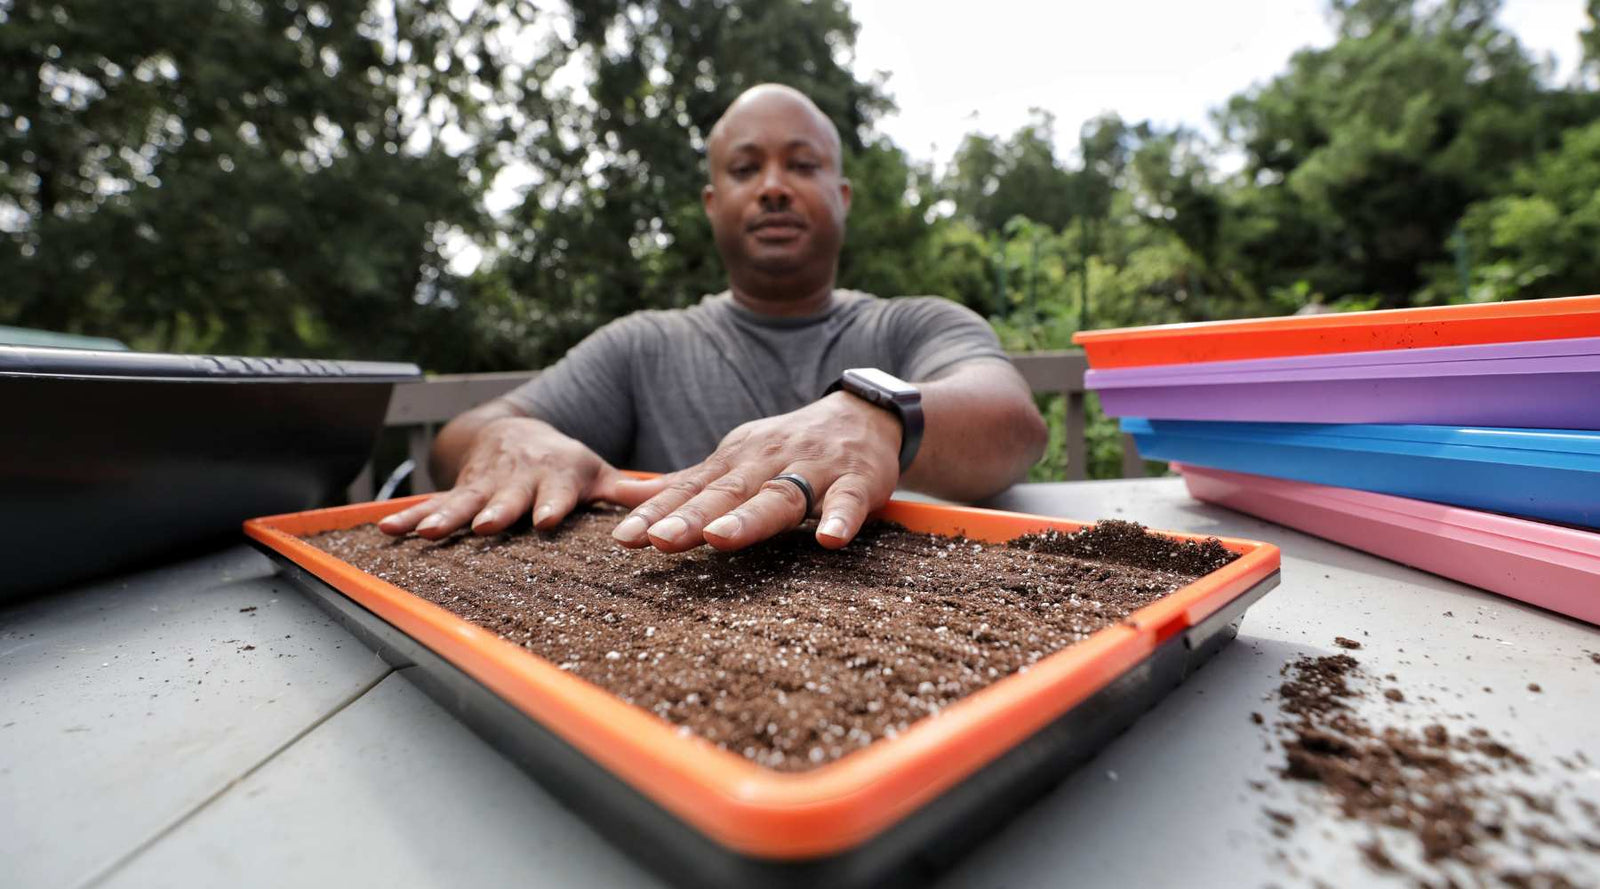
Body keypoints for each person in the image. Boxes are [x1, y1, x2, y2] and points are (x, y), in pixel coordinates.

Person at [380, 84, 1047, 553]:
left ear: (843, 197)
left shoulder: (914, 327)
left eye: (803, 164)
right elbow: (456, 442)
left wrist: (875, 416)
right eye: (746, 168)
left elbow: (1014, 422)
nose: (775, 186)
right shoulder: (642, 347)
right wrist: (510, 438)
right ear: (711, 201)